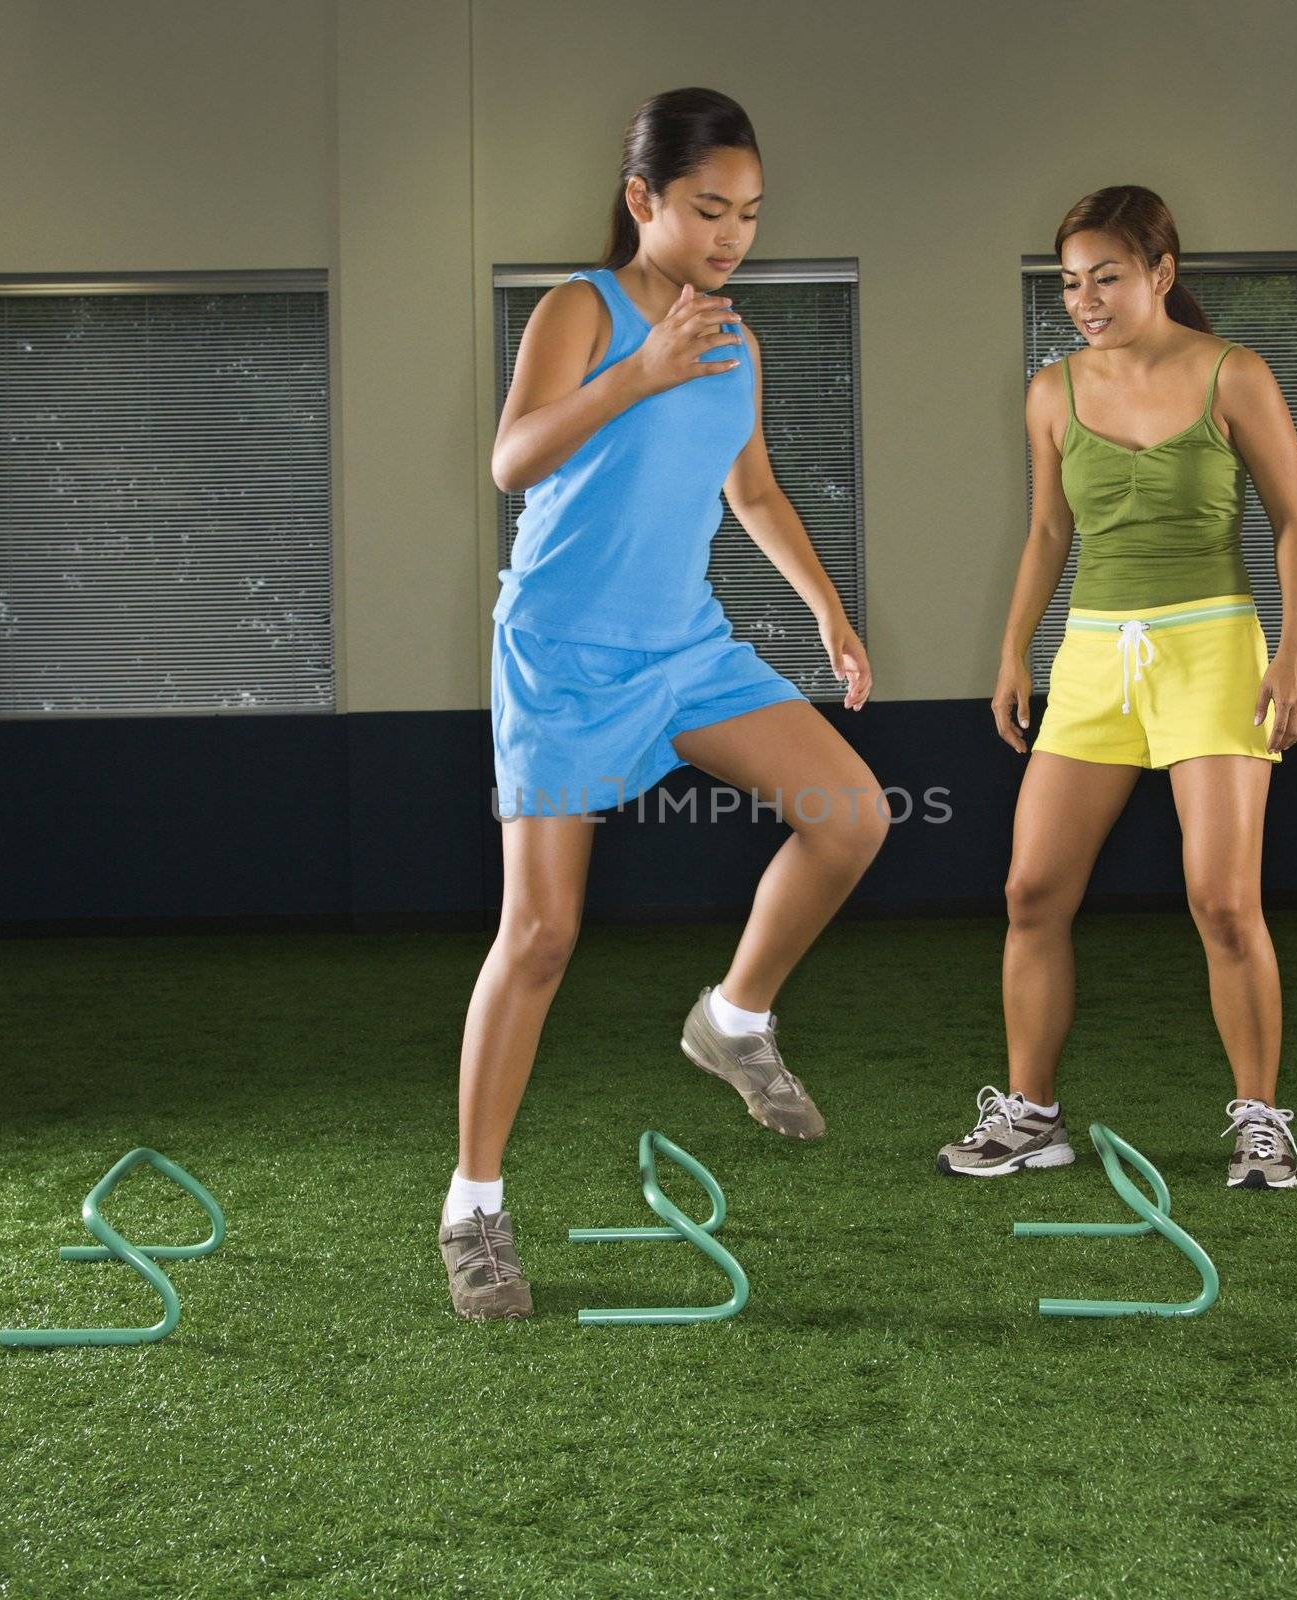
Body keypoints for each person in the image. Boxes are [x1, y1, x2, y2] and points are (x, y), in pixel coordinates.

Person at [440, 88, 886, 1319]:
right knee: (539, 935)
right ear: (644, 199)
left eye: (748, 212)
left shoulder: (736, 339)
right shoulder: (580, 308)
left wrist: (826, 609)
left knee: (852, 814)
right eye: (707, 208)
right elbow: (512, 458)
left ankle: (734, 1020)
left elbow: (750, 487)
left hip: (685, 647)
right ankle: (473, 1204)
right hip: (562, 658)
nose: (731, 233)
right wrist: (634, 373)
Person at [936, 185, 1297, 1191]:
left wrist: (1293, 652)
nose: (1086, 298)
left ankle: (1259, 1120)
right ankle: (1031, 1115)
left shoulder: (1233, 375)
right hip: (1095, 657)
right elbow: (1049, 534)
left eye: (1107, 275)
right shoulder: (1050, 391)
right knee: (1030, 891)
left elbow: (1292, 523)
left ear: (1160, 271)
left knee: (1223, 901)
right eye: (1070, 281)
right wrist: (1014, 651)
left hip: (1213, 652)